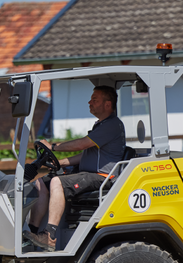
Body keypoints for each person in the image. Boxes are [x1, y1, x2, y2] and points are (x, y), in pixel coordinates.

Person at [23, 85, 125, 252]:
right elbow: (87, 153)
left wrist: (53, 147)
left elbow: (82, 143)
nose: (89, 102)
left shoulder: (112, 125)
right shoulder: (100, 125)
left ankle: (50, 236)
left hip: (102, 176)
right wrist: (61, 162)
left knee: (57, 183)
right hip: (88, 174)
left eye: (95, 100)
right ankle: (33, 232)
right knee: (42, 182)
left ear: (108, 104)